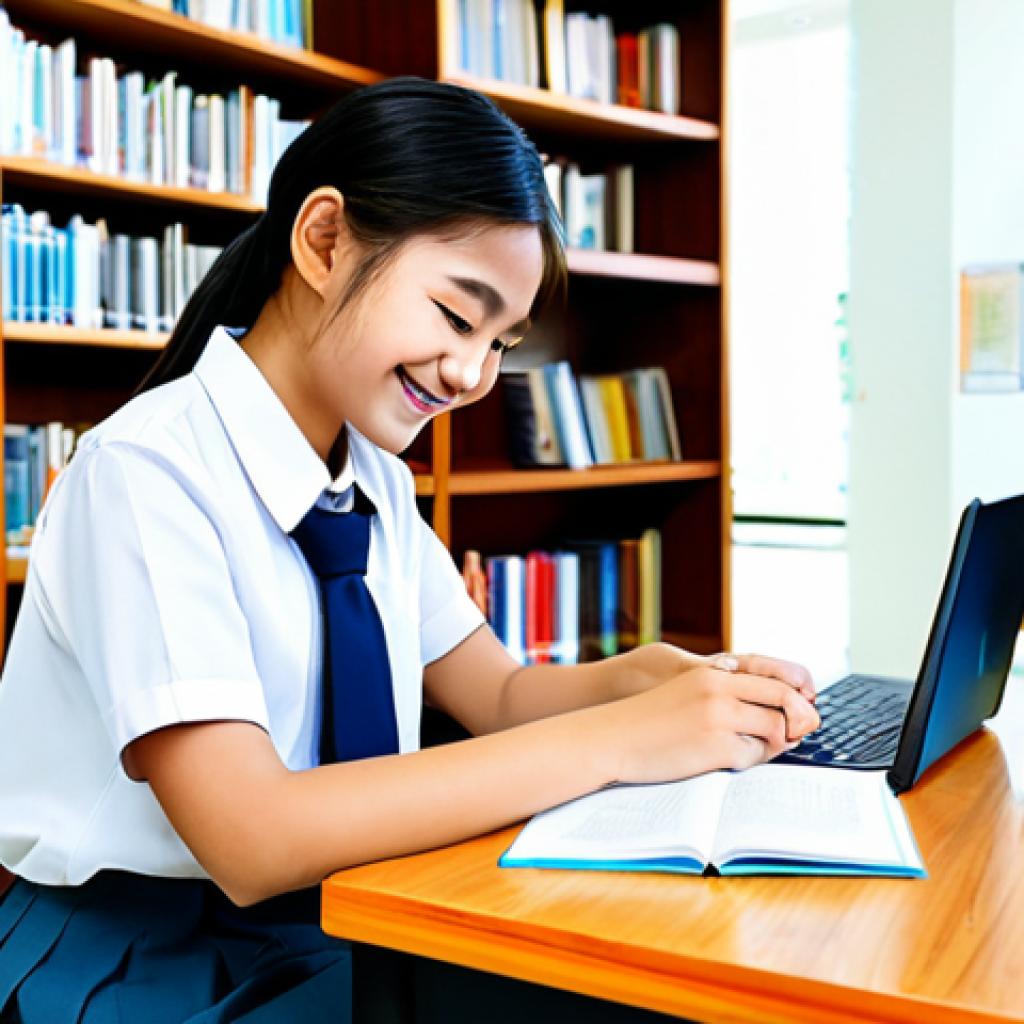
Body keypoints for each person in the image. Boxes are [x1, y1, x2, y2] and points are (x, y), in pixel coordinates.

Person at [0, 78, 819, 1023]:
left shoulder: (376, 481)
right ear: (324, 241)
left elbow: (499, 695)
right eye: (458, 316)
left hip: (339, 917)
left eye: (503, 342)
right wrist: (621, 739)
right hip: (146, 960)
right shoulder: (146, 473)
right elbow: (252, 838)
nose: (472, 373)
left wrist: (649, 680)